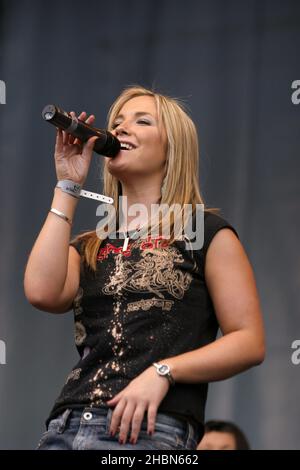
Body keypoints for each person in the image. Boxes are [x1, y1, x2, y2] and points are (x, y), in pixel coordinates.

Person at [24, 85, 265, 450]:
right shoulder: (90, 246)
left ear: (172, 148)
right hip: (67, 426)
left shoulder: (204, 233)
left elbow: (248, 341)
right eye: (117, 122)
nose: (121, 129)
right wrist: (68, 184)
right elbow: (42, 292)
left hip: (146, 430)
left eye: (142, 121)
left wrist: (163, 372)